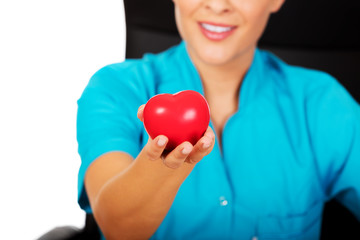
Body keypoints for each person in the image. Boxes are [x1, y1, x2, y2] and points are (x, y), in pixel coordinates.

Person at [76, 0, 360, 239]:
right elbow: (117, 228)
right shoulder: (115, 88)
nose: (217, 5)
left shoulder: (322, 103)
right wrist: (162, 167)